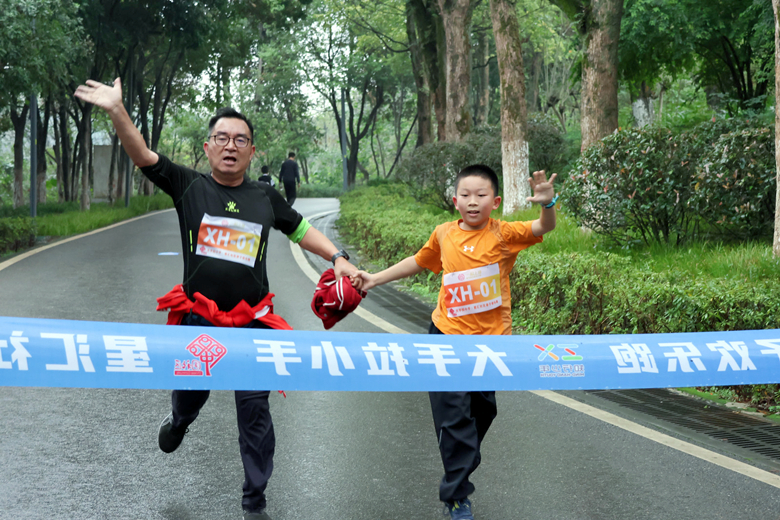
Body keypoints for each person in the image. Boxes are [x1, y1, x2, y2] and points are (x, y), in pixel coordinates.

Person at [74, 78, 358, 520]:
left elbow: (301, 230)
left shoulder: (265, 197)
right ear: (208, 148)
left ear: (252, 151)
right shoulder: (189, 186)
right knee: (191, 397)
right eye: (222, 138)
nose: (231, 146)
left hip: (252, 323)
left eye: (240, 140)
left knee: (255, 411)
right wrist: (117, 111)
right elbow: (142, 156)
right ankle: (180, 420)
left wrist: (338, 256)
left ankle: (254, 502)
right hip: (200, 322)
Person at [355, 164, 557, 520]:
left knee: (483, 411)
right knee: (454, 418)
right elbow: (419, 262)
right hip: (445, 337)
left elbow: (543, 227)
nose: (472, 202)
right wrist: (374, 279)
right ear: (454, 201)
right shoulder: (444, 234)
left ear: (494, 202)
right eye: (465, 195)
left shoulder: (504, 234)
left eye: (481, 196)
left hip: (490, 345)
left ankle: (461, 460)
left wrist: (547, 203)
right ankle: (457, 495)